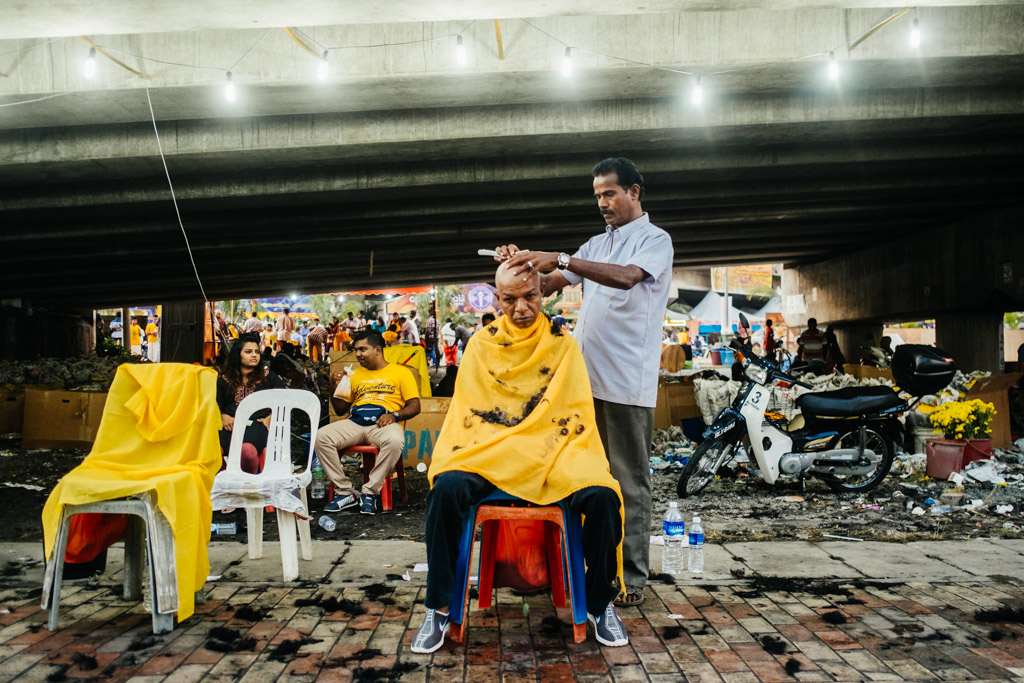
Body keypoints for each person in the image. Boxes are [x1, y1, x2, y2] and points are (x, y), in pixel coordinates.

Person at [411, 263, 628, 654]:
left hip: (554, 449)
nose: (522, 307)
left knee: (602, 497)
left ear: (543, 294)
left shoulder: (563, 344)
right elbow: (471, 415)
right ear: (498, 299)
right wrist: (502, 443)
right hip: (489, 451)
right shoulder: (481, 344)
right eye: (510, 299)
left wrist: (542, 443)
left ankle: (600, 604)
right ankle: (439, 607)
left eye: (530, 297)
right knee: (446, 489)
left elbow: (575, 413)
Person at [494, 157, 673, 608]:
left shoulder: (655, 241)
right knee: (584, 478)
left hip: (625, 384)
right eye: (597, 196)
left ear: (634, 192)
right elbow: (551, 282)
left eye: (609, 193)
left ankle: (631, 577)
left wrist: (563, 257)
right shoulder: (598, 242)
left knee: (628, 482)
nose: (603, 203)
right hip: (581, 385)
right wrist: (521, 265)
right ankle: (589, 565)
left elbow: (628, 278)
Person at [315, 330, 421, 515]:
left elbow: (415, 406)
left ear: (378, 350)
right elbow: (340, 409)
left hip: (384, 424)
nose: (358, 354)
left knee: (395, 441)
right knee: (321, 437)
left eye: (362, 349)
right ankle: (345, 492)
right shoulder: (354, 375)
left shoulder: (400, 372)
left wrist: (394, 415)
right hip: (355, 422)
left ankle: (370, 492)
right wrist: (334, 385)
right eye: (356, 350)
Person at [216, 334, 285, 474]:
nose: (254, 355)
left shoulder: (268, 377)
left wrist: (272, 417)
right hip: (231, 427)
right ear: (238, 355)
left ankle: (249, 489)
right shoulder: (225, 379)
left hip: (257, 425)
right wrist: (222, 415)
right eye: (248, 352)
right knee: (213, 451)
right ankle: (223, 488)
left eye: (256, 352)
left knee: (246, 451)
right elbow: (215, 404)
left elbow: (286, 401)